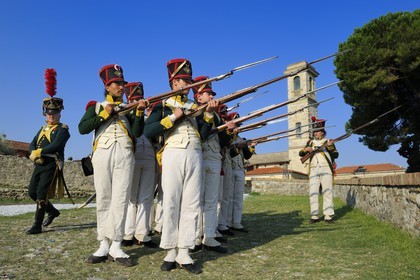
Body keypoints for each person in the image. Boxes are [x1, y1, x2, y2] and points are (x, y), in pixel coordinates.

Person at [144, 58, 218, 274]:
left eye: (189, 80)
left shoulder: (196, 107)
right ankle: (170, 250)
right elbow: (149, 132)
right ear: (174, 83)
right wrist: (173, 118)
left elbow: (204, 135)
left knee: (192, 202)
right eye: (183, 80)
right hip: (173, 152)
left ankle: (184, 250)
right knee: (171, 201)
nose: (188, 84)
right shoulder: (162, 105)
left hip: (195, 153)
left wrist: (209, 115)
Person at [78, 64, 147, 267]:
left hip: (125, 153)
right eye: (116, 84)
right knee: (104, 198)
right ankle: (103, 243)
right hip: (102, 153)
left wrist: (140, 112)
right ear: (107, 87)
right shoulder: (96, 107)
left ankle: (117, 244)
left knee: (121, 199)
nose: (120, 87)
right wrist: (104, 114)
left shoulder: (131, 107)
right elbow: (83, 128)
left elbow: (136, 132)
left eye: (122, 84)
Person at [191, 76, 234, 254]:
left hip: (214, 158)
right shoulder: (193, 111)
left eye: (210, 93)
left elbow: (222, 140)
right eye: (207, 93)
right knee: (195, 200)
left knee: (211, 200)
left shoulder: (215, 114)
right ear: (198, 97)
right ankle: (194, 236)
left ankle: (208, 236)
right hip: (199, 157)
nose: (211, 96)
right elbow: (202, 133)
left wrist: (229, 130)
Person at [27, 69, 70, 234]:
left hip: (52, 163)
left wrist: (39, 152)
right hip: (39, 163)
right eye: (48, 112)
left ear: (59, 113)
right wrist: (33, 153)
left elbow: (57, 146)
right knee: (32, 192)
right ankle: (52, 211)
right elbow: (32, 143)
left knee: (41, 193)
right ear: (45, 113)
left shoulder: (63, 129)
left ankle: (37, 225)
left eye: (54, 112)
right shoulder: (42, 128)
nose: (51, 115)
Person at [121, 82, 158, 248]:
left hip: (150, 157)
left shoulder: (150, 117)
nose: (138, 101)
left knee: (146, 197)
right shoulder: (126, 115)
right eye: (135, 99)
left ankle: (142, 233)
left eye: (140, 98)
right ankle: (128, 233)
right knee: (132, 198)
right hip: (134, 157)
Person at [299, 117, 339, 224]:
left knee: (327, 191)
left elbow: (336, 154)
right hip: (313, 170)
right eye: (315, 132)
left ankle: (328, 215)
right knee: (313, 192)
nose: (316, 134)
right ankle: (314, 215)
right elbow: (300, 154)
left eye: (318, 132)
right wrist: (306, 150)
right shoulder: (310, 142)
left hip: (326, 169)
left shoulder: (328, 142)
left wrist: (329, 147)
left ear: (323, 133)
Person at [228, 129, 255, 232]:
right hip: (230, 167)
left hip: (239, 169)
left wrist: (252, 146)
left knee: (238, 197)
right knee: (229, 197)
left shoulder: (241, 139)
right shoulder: (228, 137)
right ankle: (228, 222)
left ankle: (236, 222)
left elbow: (247, 155)